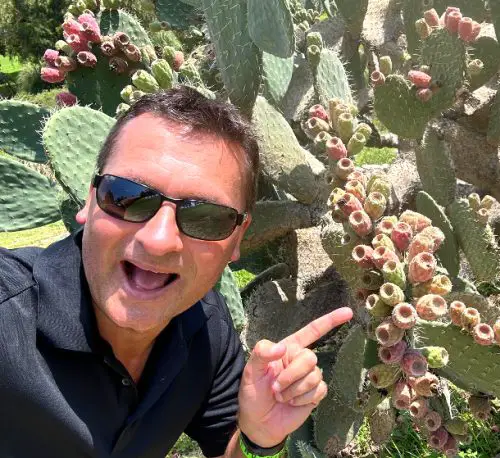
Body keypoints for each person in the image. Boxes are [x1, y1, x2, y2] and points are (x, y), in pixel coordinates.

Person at [0, 86, 353, 458]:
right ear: (90, 200)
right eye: (128, 196)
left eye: (206, 217)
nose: (159, 240)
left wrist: (257, 437)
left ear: (237, 239)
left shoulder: (205, 326)